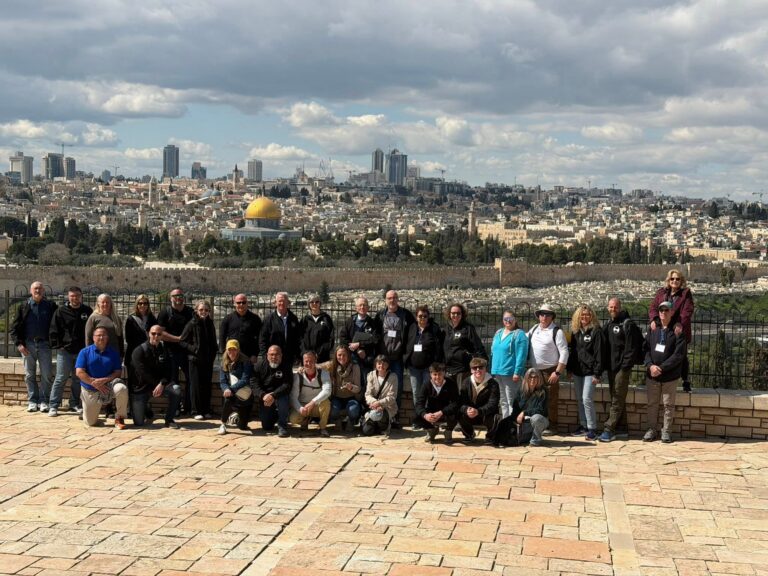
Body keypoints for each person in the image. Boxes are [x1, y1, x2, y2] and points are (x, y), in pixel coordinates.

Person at [643, 301, 687, 443]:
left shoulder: (677, 331)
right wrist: (650, 366)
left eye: (666, 310)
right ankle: (651, 429)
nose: (663, 312)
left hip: (669, 376)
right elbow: (645, 349)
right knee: (652, 404)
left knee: (668, 405)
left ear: (672, 312)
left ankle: (666, 431)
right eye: (661, 310)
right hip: (652, 375)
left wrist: (661, 368)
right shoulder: (653, 329)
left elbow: (678, 355)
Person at [600, 297, 642, 442]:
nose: (613, 309)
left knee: (617, 397)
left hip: (622, 368)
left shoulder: (627, 324)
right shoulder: (609, 324)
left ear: (620, 307)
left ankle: (609, 428)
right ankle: (622, 427)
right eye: (611, 307)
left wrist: (625, 366)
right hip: (611, 366)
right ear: (608, 308)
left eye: (615, 307)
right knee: (616, 396)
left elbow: (631, 347)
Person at [11, 281, 57, 413]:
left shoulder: (50, 306)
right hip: (28, 345)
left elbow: (57, 324)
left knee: (46, 375)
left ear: (43, 291)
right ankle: (32, 401)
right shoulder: (24, 306)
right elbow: (14, 328)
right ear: (31, 291)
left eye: (40, 288)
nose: (38, 291)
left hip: (45, 345)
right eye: (35, 288)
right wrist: (19, 344)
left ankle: (44, 401)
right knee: (29, 375)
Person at [48, 286, 92, 416]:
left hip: (81, 352)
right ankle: (53, 405)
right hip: (65, 351)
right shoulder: (61, 311)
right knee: (61, 378)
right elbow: (53, 329)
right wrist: (58, 346)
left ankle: (74, 404)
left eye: (77, 295)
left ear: (81, 296)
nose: (75, 298)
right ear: (68, 297)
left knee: (78, 379)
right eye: (72, 296)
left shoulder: (87, 311)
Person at [649, 269, 695, 391]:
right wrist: (654, 319)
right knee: (662, 352)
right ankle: (659, 373)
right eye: (672, 278)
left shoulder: (685, 293)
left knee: (681, 354)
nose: (674, 281)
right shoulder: (661, 292)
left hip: (678, 328)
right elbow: (653, 307)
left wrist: (680, 323)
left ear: (681, 281)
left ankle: (685, 380)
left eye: (677, 279)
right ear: (668, 280)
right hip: (663, 327)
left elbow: (687, 311)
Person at [75, 326, 129, 429]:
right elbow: (79, 372)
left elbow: (118, 372)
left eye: (104, 335)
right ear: (93, 337)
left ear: (107, 338)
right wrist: (93, 382)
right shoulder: (84, 352)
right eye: (98, 335)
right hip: (90, 388)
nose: (101, 337)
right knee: (90, 422)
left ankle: (119, 417)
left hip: (108, 385)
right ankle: (90, 414)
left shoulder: (113, 353)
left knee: (121, 388)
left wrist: (106, 379)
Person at [376, 290, 416, 427]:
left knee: (397, 388)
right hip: (383, 359)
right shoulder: (380, 315)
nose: (392, 300)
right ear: (385, 300)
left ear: (398, 299)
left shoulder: (406, 315)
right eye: (389, 298)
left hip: (398, 358)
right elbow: (376, 334)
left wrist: (406, 355)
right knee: (380, 387)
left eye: (394, 298)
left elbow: (412, 335)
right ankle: (381, 416)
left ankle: (394, 416)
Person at [129, 325, 182, 428]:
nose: (156, 336)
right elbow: (143, 373)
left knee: (176, 390)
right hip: (141, 388)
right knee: (139, 423)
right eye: (153, 333)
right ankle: (145, 408)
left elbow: (169, 370)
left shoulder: (165, 350)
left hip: (159, 385)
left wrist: (162, 383)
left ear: (162, 336)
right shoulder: (139, 351)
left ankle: (169, 419)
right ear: (148, 334)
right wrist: (157, 384)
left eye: (159, 334)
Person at [527, 304, 569, 433]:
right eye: (542, 314)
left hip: (550, 371)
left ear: (552, 317)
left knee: (551, 400)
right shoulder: (534, 328)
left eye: (547, 314)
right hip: (535, 372)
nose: (544, 317)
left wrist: (557, 372)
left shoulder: (557, 332)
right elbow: (523, 339)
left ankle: (552, 426)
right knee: (535, 399)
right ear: (538, 316)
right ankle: (537, 424)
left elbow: (564, 353)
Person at [567, 304, 604, 440]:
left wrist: (597, 373)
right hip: (578, 370)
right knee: (580, 399)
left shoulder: (596, 331)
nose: (585, 317)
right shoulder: (576, 332)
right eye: (582, 315)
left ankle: (592, 428)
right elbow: (573, 352)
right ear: (578, 316)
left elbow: (600, 353)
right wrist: (569, 369)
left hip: (590, 371)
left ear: (592, 316)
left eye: (587, 314)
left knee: (586, 399)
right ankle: (583, 426)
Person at [404, 305, 444, 429]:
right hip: (414, 368)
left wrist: (437, 364)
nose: (422, 318)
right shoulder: (412, 328)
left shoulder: (434, 329)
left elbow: (438, 347)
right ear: (416, 317)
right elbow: (406, 343)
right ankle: (419, 418)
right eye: (420, 316)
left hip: (428, 368)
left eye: (425, 316)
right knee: (416, 394)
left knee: (428, 394)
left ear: (428, 317)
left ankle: (429, 419)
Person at [157, 287, 194, 413]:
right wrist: (178, 339)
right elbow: (160, 333)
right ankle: (175, 408)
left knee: (191, 378)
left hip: (187, 351)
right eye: (175, 296)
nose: (178, 298)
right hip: (170, 352)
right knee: (173, 381)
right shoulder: (165, 312)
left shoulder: (190, 312)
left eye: (180, 296)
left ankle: (188, 407)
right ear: (170, 298)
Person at [490, 368, 549, 447]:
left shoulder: (543, 391)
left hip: (539, 420)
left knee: (536, 418)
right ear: (526, 378)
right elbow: (515, 409)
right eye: (530, 377)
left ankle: (535, 440)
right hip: (523, 422)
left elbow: (541, 410)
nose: (532, 379)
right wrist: (514, 419)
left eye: (535, 377)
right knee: (504, 423)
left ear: (539, 379)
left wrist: (524, 413)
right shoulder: (521, 391)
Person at [179, 299, 217, 420]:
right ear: (196, 310)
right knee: (195, 385)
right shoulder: (192, 324)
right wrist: (194, 349)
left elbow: (213, 341)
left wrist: (213, 353)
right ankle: (195, 411)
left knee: (206, 385)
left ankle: (206, 410)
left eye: (206, 310)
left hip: (208, 360)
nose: (203, 312)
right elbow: (182, 341)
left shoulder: (210, 323)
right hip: (195, 360)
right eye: (201, 310)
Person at [124, 294, 158, 420]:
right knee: (133, 382)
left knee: (147, 383)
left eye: (145, 303)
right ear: (136, 305)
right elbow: (129, 339)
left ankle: (145, 407)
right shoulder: (131, 319)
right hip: (134, 356)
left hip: (148, 356)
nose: (142, 305)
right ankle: (131, 408)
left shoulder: (152, 319)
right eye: (140, 303)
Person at [490, 311, 528, 419]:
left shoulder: (519, 334)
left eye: (510, 318)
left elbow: (521, 355)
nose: (508, 321)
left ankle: (512, 423)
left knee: (512, 400)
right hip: (497, 371)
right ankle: (505, 422)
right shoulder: (498, 332)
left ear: (515, 319)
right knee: (502, 400)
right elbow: (493, 352)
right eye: (505, 319)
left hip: (510, 373)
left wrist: (517, 372)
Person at [339, 296, 381, 387]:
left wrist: (359, 344)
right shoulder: (350, 321)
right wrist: (357, 349)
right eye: (360, 305)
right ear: (356, 308)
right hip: (351, 358)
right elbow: (343, 338)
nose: (362, 307)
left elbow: (375, 339)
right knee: (352, 383)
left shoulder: (372, 323)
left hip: (366, 359)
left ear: (368, 308)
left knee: (366, 383)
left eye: (364, 305)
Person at [443, 302, 487, 390]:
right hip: (448, 368)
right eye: (453, 313)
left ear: (462, 314)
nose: (455, 315)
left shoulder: (468, 328)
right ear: (449, 314)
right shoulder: (446, 329)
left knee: (462, 393)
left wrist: (483, 364)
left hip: (462, 369)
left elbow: (477, 346)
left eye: (458, 313)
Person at [252, 345, 293, 437]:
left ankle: (282, 426)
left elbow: (287, 385)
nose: (274, 357)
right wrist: (263, 395)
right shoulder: (259, 365)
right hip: (265, 397)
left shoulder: (286, 365)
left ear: (281, 355)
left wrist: (274, 395)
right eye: (271, 354)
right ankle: (275, 416)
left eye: (277, 354)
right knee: (267, 426)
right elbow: (254, 383)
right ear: (267, 355)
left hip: (280, 395)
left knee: (283, 400)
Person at [456, 357, 500, 442]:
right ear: (471, 370)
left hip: (485, 414)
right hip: (471, 414)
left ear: (485, 369)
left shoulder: (493, 383)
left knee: (496, 417)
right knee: (459, 412)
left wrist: (479, 411)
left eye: (481, 367)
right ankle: (469, 434)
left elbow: (493, 404)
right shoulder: (466, 382)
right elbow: (461, 401)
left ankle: (490, 436)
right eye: (474, 368)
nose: (478, 370)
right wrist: (467, 409)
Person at [289, 351, 332, 437]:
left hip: (317, 405)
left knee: (326, 403)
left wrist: (313, 402)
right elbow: (293, 396)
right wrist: (300, 409)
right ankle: (305, 421)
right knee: (293, 419)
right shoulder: (298, 376)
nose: (308, 364)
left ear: (315, 361)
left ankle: (322, 427)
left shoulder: (324, 373)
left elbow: (327, 391)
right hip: (304, 405)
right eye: (306, 361)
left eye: (311, 361)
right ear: (303, 361)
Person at [413, 362, 459, 444]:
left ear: (444, 373)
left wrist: (441, 412)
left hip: (445, 412)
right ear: (430, 374)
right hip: (432, 412)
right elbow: (419, 403)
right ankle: (431, 430)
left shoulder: (451, 383)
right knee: (417, 415)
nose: (437, 377)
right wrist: (425, 415)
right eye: (435, 374)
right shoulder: (426, 384)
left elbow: (455, 403)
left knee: (457, 411)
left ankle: (448, 431)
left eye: (440, 374)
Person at [218, 339, 254, 435]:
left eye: (234, 349)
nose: (231, 352)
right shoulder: (224, 363)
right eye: (229, 350)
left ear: (238, 350)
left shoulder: (246, 362)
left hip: (244, 395)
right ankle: (223, 424)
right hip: (231, 394)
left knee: (243, 427)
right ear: (226, 351)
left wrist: (231, 389)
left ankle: (235, 416)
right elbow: (223, 381)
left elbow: (245, 380)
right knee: (228, 399)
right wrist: (226, 389)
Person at [324, 345, 363, 432]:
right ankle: (337, 420)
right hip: (336, 397)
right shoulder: (332, 365)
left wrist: (351, 387)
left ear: (348, 355)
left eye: (344, 355)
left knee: (353, 410)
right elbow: (318, 366)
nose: (342, 357)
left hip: (351, 397)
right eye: (339, 355)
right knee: (332, 410)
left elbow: (358, 388)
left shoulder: (355, 367)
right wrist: (303, 367)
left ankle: (351, 421)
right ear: (336, 355)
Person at [259, 292, 302, 365]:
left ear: (288, 303)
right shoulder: (268, 319)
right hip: (273, 358)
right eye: (280, 301)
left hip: (289, 358)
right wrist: (265, 357)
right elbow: (262, 339)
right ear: (275, 303)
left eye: (284, 301)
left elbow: (297, 338)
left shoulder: (293, 318)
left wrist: (297, 356)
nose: (282, 303)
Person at [219, 294, 261, 363]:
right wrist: (224, 352)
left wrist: (255, 354)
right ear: (234, 304)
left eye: (243, 302)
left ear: (247, 303)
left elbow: (259, 338)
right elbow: (222, 337)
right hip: (231, 356)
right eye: (238, 302)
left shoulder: (255, 319)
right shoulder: (228, 319)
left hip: (249, 356)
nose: (241, 304)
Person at [362, 355, 397, 437]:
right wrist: (375, 403)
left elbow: (392, 397)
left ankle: (384, 425)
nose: (381, 366)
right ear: (375, 364)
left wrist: (380, 404)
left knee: (381, 426)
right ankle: (372, 423)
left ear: (388, 365)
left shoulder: (393, 377)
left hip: (386, 408)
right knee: (367, 431)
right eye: (379, 363)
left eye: (384, 364)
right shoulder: (371, 375)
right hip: (373, 406)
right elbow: (368, 394)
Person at [85, 293, 124, 358]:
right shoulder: (93, 317)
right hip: (99, 354)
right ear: (98, 304)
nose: (105, 304)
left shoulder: (116, 318)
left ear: (111, 303)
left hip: (114, 353)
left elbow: (120, 337)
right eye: (103, 302)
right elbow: (88, 337)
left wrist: (121, 354)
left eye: (107, 302)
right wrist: (90, 354)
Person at [300, 295, 335, 363]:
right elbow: (300, 338)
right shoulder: (305, 320)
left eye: (317, 302)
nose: (314, 304)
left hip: (323, 357)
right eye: (312, 302)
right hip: (307, 357)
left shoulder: (326, 319)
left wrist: (320, 352)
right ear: (308, 304)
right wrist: (305, 352)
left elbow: (331, 337)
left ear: (320, 303)